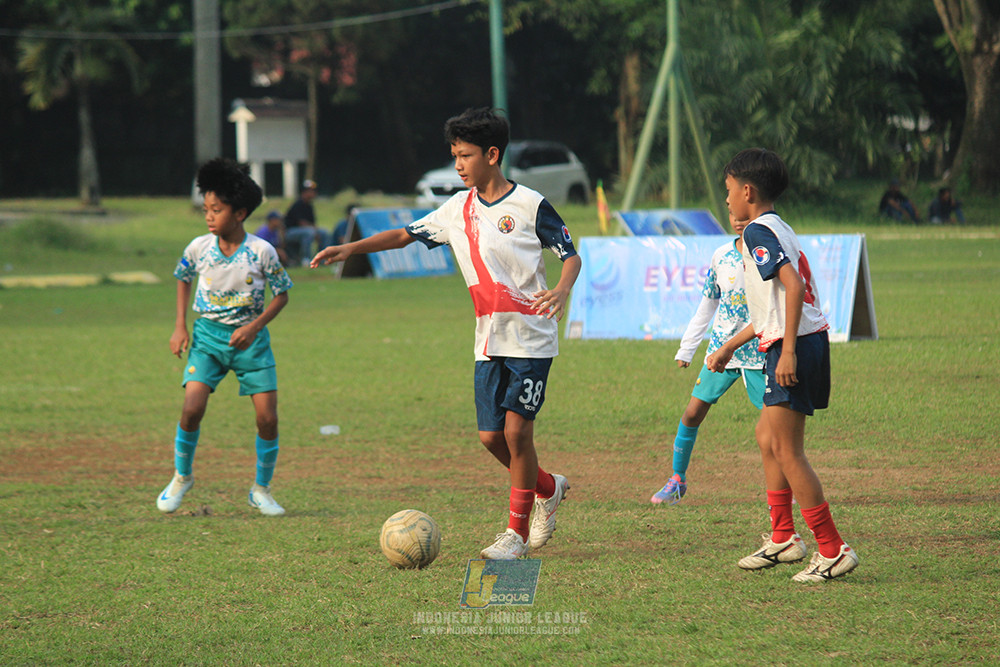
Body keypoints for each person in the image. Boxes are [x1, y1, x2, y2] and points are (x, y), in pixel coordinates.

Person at [311, 108, 581, 560]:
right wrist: (350, 248)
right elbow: (403, 236)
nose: (458, 164)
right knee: (490, 438)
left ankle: (513, 536)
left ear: (492, 155)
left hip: (532, 337)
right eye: (454, 155)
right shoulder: (456, 209)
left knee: (517, 433)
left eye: (465, 155)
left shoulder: (530, 205)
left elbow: (569, 255)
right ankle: (548, 488)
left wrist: (560, 289)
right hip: (487, 339)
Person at [707, 148, 859, 583]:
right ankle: (784, 537)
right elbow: (768, 308)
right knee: (767, 436)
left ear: (747, 191)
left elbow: (792, 288)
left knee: (788, 450)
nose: (728, 199)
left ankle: (832, 549)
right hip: (797, 340)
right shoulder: (777, 227)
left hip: (797, 345)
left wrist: (788, 351)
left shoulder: (757, 231)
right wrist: (727, 348)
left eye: (730, 191)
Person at [157, 158, 294, 517]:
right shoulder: (199, 248)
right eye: (206, 209)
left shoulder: (261, 252)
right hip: (208, 339)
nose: (209, 216)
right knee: (191, 409)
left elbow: (282, 295)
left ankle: (261, 490)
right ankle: (181, 477)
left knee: (268, 419)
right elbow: (183, 278)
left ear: (239, 213)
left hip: (252, 340)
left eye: (216, 210)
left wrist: (254, 327)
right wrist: (180, 326)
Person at [650, 213, 766, 505]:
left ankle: (784, 486)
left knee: (773, 423)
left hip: (758, 352)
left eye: (745, 216)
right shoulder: (721, 257)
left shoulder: (765, 255)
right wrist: (686, 349)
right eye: (733, 215)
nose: (738, 220)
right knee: (692, 413)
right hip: (720, 353)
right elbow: (708, 304)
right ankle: (677, 480)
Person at [284, 179, 331, 265]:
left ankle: (322, 258)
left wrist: (316, 231)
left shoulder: (309, 206)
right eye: (310, 191)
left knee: (324, 232)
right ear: (304, 192)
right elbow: (301, 223)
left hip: (307, 230)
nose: (313, 193)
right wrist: (314, 230)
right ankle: (306, 259)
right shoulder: (298, 204)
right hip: (290, 232)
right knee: (309, 232)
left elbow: (313, 223)